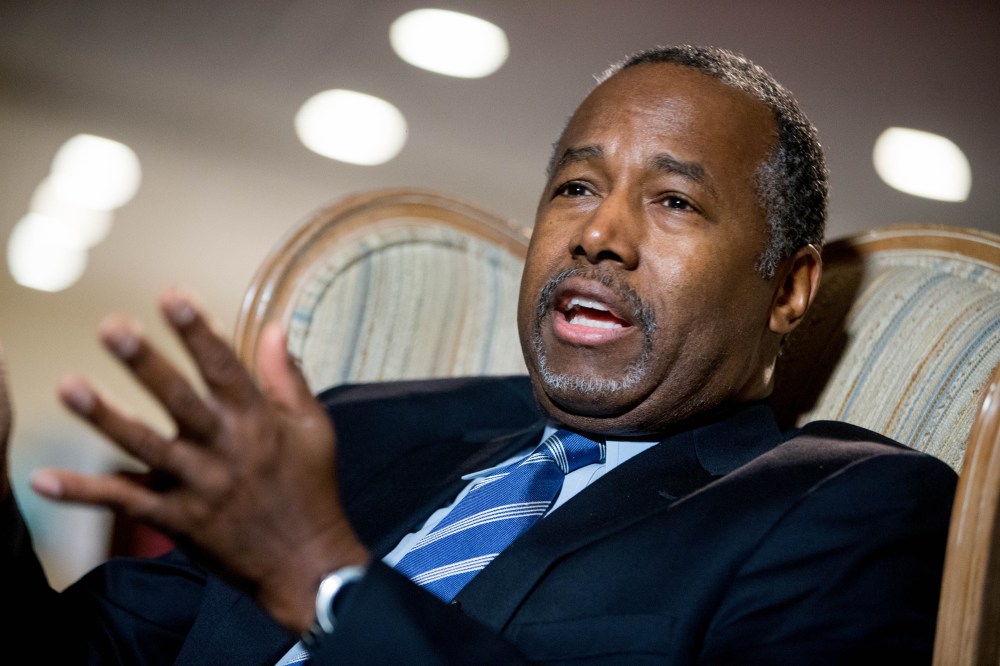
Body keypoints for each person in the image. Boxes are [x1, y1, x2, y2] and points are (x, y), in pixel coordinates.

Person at [1, 45, 956, 664]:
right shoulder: (355, 430)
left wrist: (328, 583)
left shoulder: (848, 507)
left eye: (673, 201)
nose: (599, 236)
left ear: (788, 288)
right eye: (576, 188)